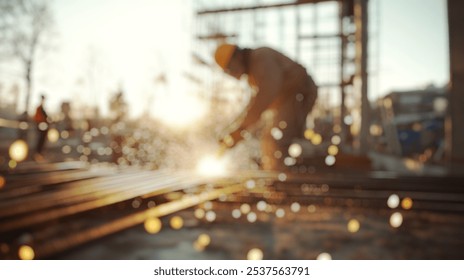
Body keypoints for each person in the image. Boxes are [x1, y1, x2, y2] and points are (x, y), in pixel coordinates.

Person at [215, 44, 318, 170]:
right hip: (287, 97)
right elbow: (253, 105)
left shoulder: (261, 58)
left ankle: (284, 175)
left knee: (278, 138)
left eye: (230, 69)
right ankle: (277, 172)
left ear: (237, 57)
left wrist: (242, 128)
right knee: (269, 138)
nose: (232, 74)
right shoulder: (253, 71)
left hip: (299, 92)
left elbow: (265, 97)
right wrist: (234, 128)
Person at [33, 94, 49, 161]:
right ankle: (38, 154)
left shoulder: (42, 108)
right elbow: (37, 118)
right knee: (40, 141)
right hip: (41, 127)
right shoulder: (39, 108)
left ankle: (40, 154)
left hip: (44, 128)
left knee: (42, 141)